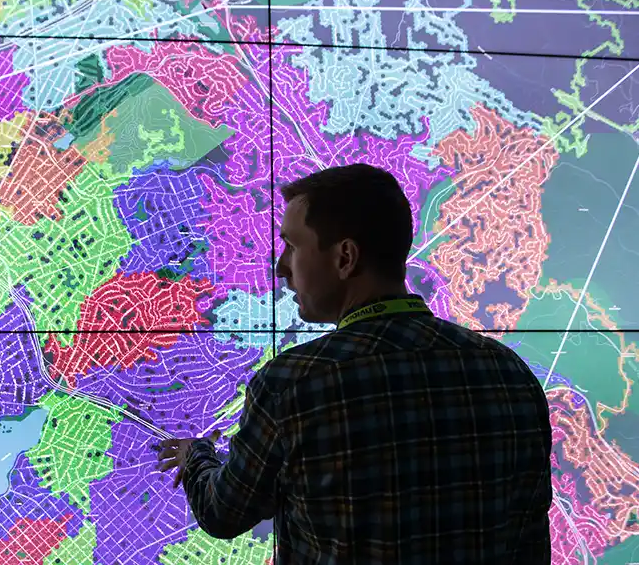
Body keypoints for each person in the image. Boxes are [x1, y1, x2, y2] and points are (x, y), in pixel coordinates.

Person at [157, 164, 552, 564]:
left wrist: (196, 458)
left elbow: (223, 514)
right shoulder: (510, 374)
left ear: (345, 257)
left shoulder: (293, 385)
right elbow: (530, 539)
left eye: (293, 246)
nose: (281, 267)